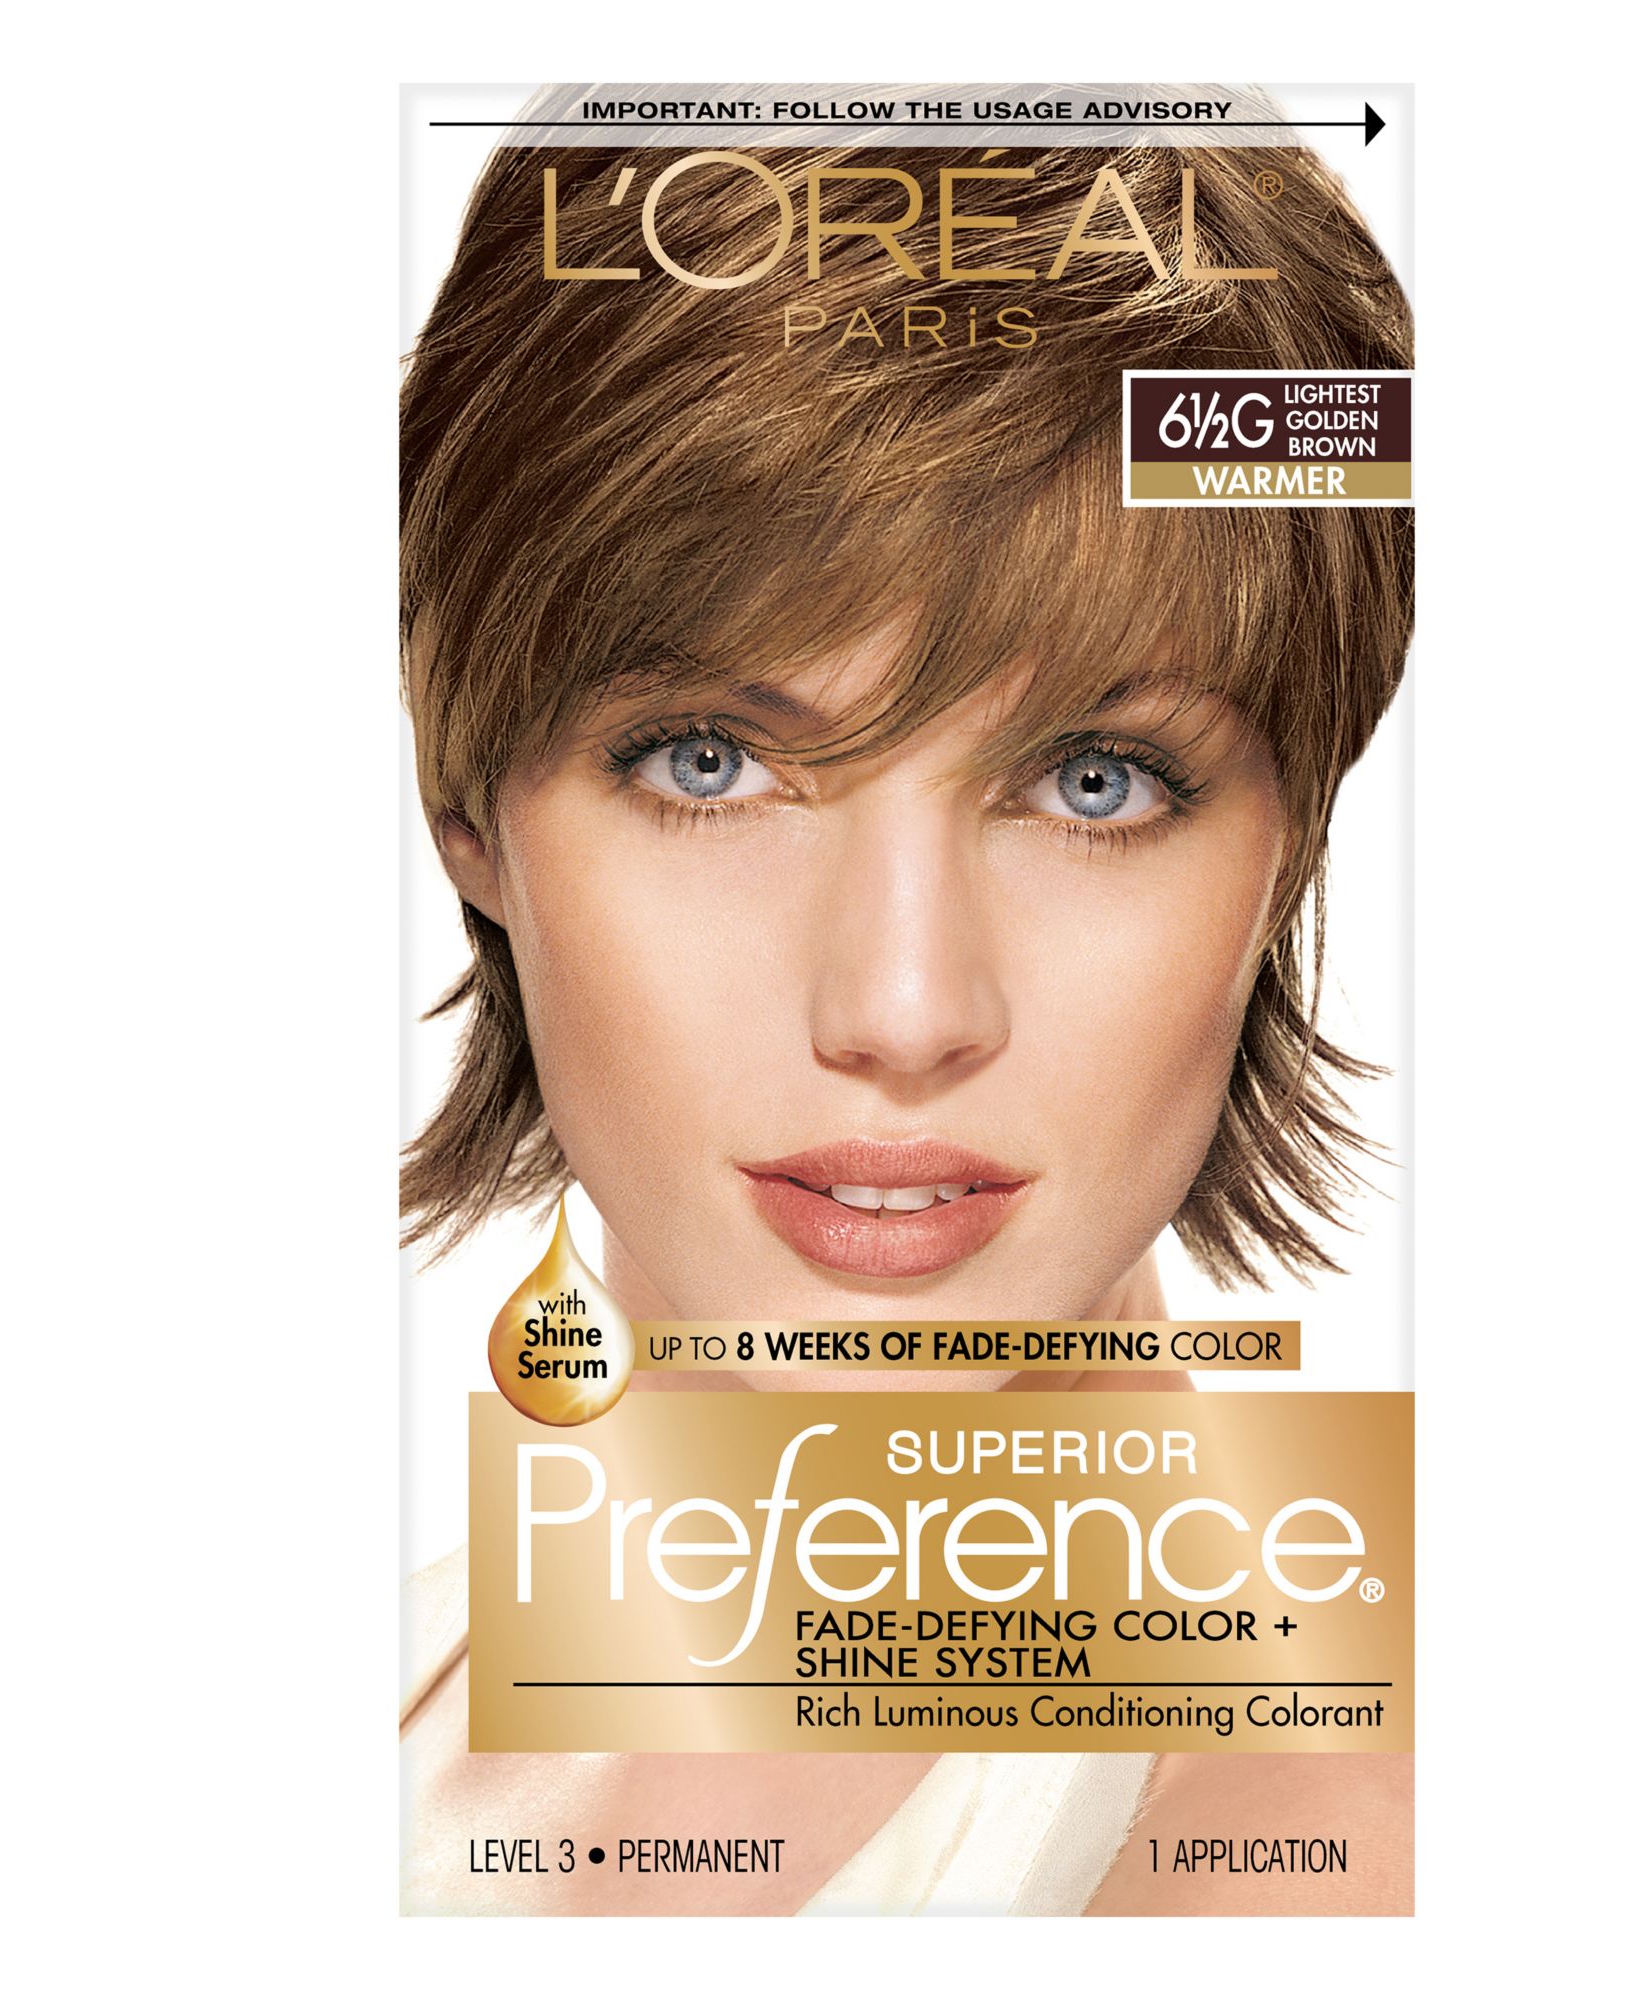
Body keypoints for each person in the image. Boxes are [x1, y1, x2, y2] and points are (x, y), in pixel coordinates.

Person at [400, 126, 1413, 1913]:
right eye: (708, 763)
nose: (903, 1008)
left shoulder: (1340, 1844)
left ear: (1291, 847)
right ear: (463, 805)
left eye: (1095, 781)